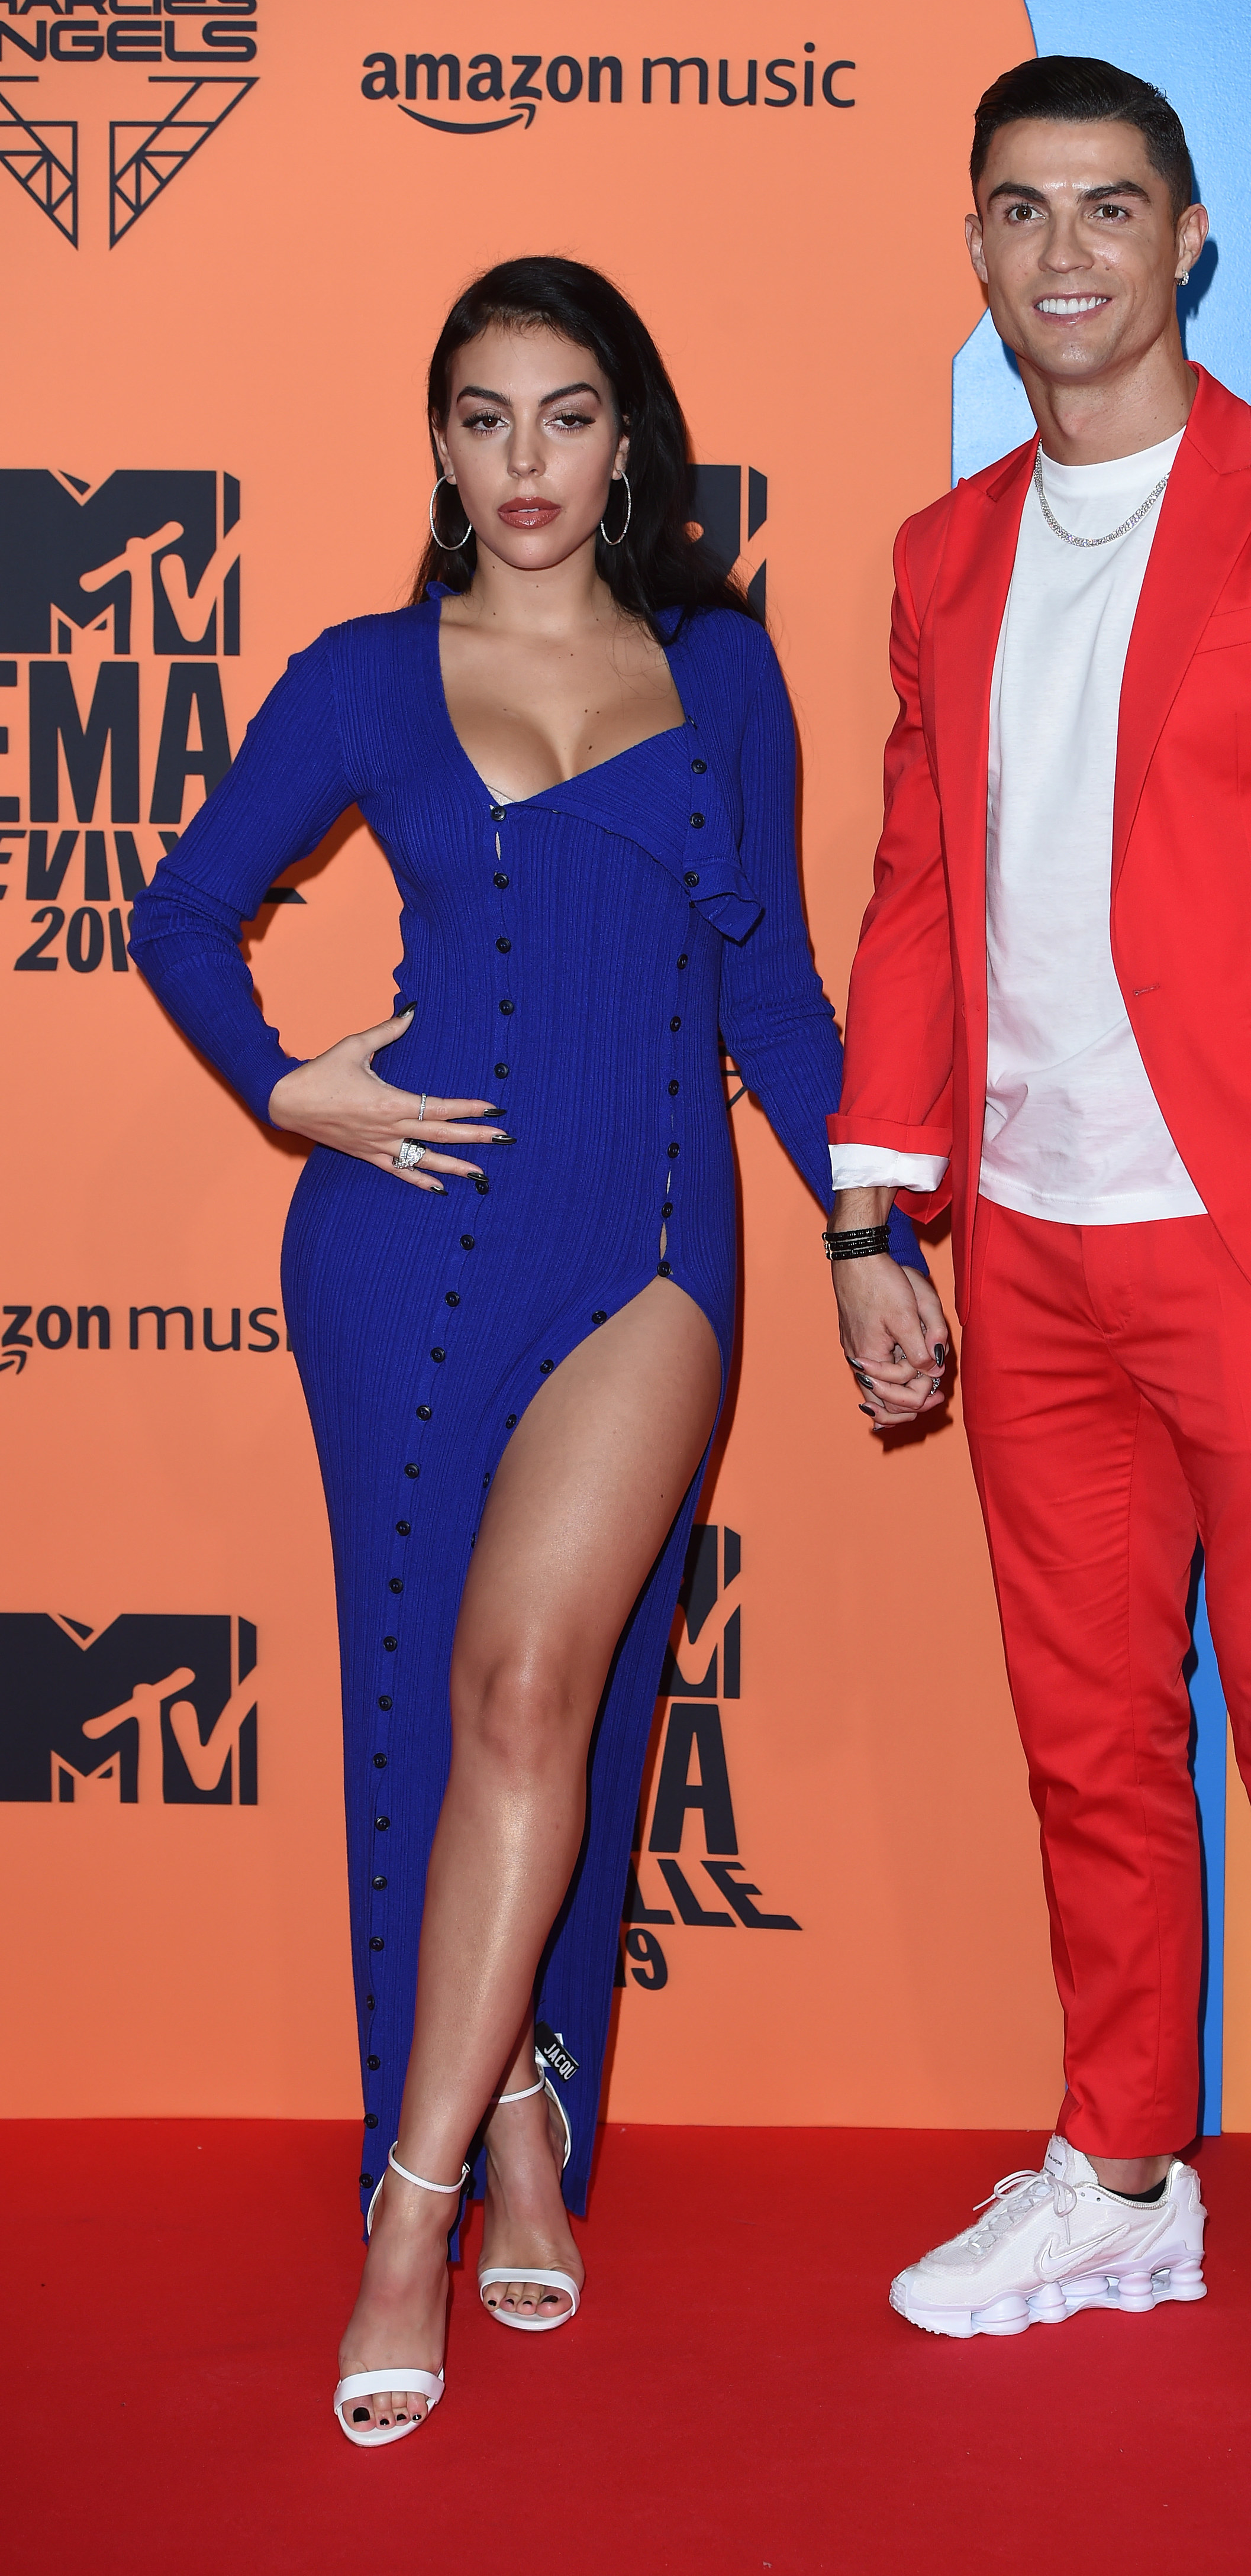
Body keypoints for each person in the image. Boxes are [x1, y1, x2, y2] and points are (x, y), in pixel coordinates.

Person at [129, 254, 932, 2446]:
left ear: (629, 440)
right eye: (482, 420)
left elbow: (768, 985)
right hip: (394, 1258)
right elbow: (179, 909)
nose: (524, 466)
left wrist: (864, 1222)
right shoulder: (373, 674)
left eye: (565, 417)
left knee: (530, 1684)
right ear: (440, 447)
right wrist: (294, 1085)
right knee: (423, 1710)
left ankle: (404, 2205)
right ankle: (497, 2144)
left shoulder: (723, 670)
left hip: (650, 1245)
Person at [823, 58, 1251, 2490]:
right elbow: (921, 887)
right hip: (1028, 1258)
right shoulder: (942, 551)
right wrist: (872, 1204)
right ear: (982, 248)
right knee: (1093, 1739)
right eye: (1021, 212)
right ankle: (1121, 2173)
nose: (1068, 254)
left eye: (1112, 207)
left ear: (1194, 237)